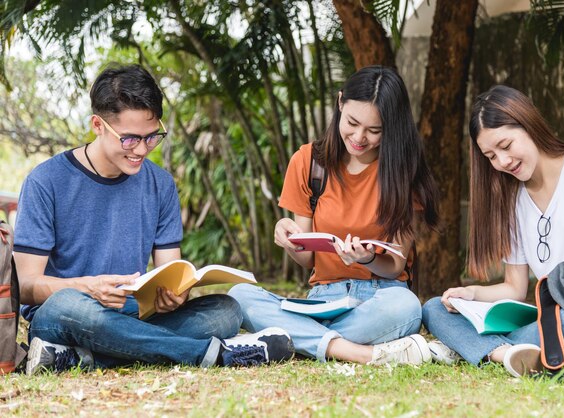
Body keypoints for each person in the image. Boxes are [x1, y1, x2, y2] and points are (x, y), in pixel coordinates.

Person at [15, 64, 294, 374]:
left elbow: (170, 271)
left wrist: (175, 296)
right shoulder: (46, 181)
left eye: (151, 138)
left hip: (133, 311)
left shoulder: (160, 184)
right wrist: (86, 288)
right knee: (71, 306)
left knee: (225, 312)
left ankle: (81, 358)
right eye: (130, 139)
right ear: (97, 124)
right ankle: (212, 354)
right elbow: (26, 285)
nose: (141, 150)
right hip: (68, 317)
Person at [228, 66, 438, 365]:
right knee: (239, 295)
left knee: (407, 307)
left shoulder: (404, 170)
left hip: (381, 297)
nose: (359, 137)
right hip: (324, 298)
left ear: (390, 126)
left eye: (374, 131)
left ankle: (302, 338)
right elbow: (307, 259)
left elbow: (395, 267)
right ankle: (355, 351)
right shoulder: (308, 162)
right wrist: (290, 241)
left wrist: (366, 259)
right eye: (352, 122)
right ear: (340, 103)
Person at [422, 85, 564, 376]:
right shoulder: (513, 200)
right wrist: (470, 293)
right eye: (491, 156)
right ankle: (507, 353)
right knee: (434, 308)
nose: (502, 162)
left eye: (505, 146)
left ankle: (477, 348)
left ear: (528, 124)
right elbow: (514, 288)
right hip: (547, 313)